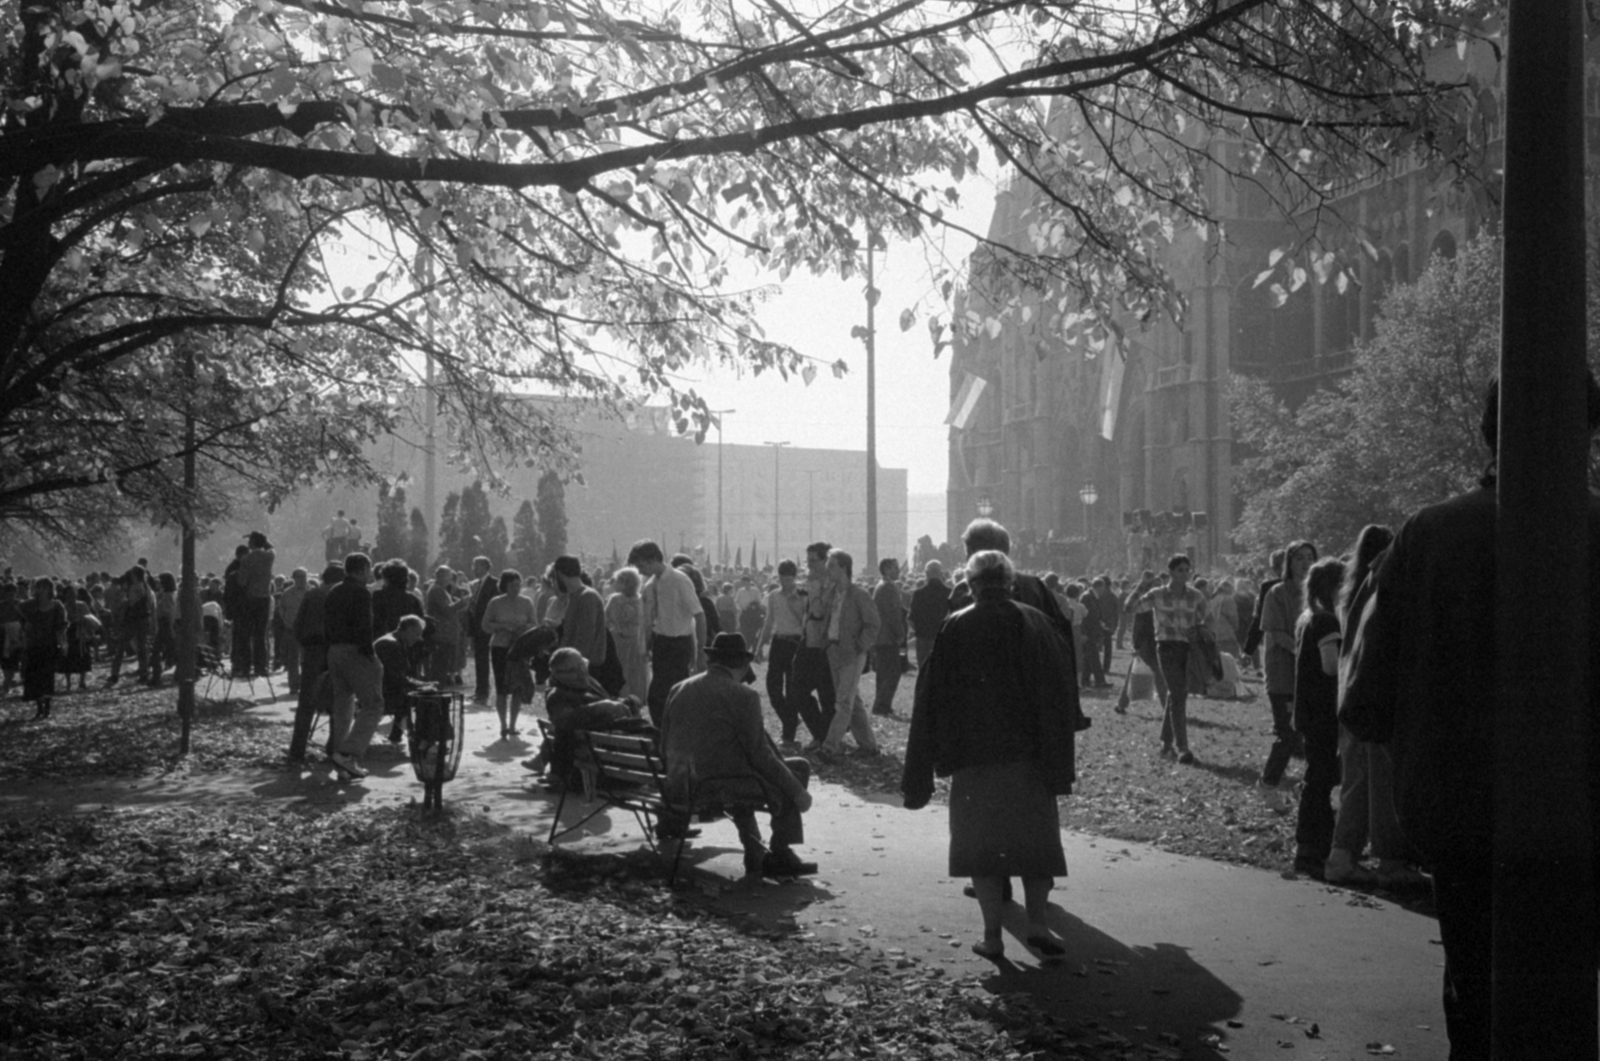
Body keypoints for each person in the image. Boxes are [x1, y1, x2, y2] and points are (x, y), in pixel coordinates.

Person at [1341, 377, 1600, 1061]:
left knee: (1476, 987)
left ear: (1488, 433)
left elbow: (1363, 695)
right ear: (1591, 434)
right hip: (1584, 814)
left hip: (1461, 811)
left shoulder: (1430, 533)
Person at [901, 550, 1077, 960]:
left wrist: (920, 771)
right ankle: (1038, 924)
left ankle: (993, 935)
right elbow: (1062, 691)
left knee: (982, 850)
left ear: (971, 584)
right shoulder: (1037, 622)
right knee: (1036, 847)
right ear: (1010, 583)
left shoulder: (956, 626)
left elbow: (931, 699)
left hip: (974, 756)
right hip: (1030, 757)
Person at [660, 632, 817, 879]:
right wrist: (798, 792)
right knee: (794, 772)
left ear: (712, 660)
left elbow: (663, 744)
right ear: (742, 665)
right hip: (715, 785)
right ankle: (780, 851)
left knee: (783, 769)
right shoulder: (743, 696)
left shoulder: (679, 688)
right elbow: (760, 756)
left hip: (678, 782)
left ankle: (756, 851)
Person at [1324, 525, 1424, 888]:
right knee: (1384, 783)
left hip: (1350, 695)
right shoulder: (1387, 582)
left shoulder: (1354, 591)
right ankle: (1392, 861)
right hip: (1375, 698)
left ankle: (1342, 855)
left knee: (1357, 781)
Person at [1289, 556, 1346, 879]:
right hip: (1323, 711)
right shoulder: (1326, 621)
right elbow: (1330, 666)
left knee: (1317, 778)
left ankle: (1310, 844)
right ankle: (1312, 845)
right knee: (1320, 780)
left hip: (1307, 711)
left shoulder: (1306, 618)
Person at [1133, 554, 1209, 764]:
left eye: (1187, 569)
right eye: (1180, 570)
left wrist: (1199, 631)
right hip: (1166, 648)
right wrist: (1142, 584)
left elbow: (1204, 616)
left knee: (1177, 694)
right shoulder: (1157, 594)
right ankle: (1182, 747)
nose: (1185, 573)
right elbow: (1132, 607)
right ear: (1170, 572)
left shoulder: (1195, 596)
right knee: (1178, 694)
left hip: (1188, 648)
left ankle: (1166, 742)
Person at [629, 539, 705, 728]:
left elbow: (699, 615)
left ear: (654, 559)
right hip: (660, 643)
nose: (639, 571)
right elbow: (649, 621)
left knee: (675, 694)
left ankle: (675, 733)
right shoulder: (650, 586)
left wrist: (701, 651)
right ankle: (662, 733)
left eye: (641, 565)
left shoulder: (679, 580)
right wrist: (646, 645)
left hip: (679, 643)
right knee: (656, 696)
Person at [324, 552, 385, 779]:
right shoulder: (360, 592)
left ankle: (340, 760)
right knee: (374, 705)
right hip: (354, 650)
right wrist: (370, 654)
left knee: (343, 706)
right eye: (368, 569)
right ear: (361, 570)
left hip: (334, 650)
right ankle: (349, 754)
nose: (370, 574)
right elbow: (364, 625)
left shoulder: (335, 590)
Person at [1261, 542, 1317, 786]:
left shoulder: (1317, 594)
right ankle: (1268, 783)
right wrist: (1303, 651)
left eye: (1309, 557)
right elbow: (1276, 633)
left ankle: (1307, 786)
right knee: (1288, 735)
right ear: (1289, 564)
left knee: (1311, 735)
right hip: (1283, 674)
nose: (1305, 563)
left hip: (1310, 675)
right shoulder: (1277, 594)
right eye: (1298, 558)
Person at [817, 549, 880, 757]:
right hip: (833, 651)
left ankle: (830, 746)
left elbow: (873, 624)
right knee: (852, 700)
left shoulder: (859, 594)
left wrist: (860, 645)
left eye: (832, 566)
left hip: (851, 653)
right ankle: (868, 745)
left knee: (843, 702)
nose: (828, 570)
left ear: (844, 568)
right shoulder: (832, 593)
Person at [788, 542, 839, 748]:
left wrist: (814, 588)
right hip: (808, 640)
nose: (808, 565)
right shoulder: (812, 581)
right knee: (797, 689)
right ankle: (821, 732)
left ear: (826, 561)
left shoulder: (832, 585)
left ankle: (825, 737)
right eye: (807, 560)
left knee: (827, 694)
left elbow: (818, 613)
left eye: (812, 561)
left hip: (824, 644)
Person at [481, 569, 538, 739]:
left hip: (519, 649)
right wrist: (502, 626)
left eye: (518, 584)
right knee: (502, 687)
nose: (516, 588)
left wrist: (523, 627)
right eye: (512, 585)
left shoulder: (527, 602)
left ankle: (513, 724)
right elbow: (485, 625)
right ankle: (503, 725)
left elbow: (534, 624)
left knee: (518, 687)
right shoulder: (495, 602)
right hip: (500, 647)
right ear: (504, 585)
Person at [1115, 570, 1169, 715]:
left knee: (1132, 674)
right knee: (1160, 676)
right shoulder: (1144, 603)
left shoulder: (1162, 599)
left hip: (1157, 641)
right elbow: (1138, 623)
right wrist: (1137, 645)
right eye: (1155, 584)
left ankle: (1121, 705)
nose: (1159, 586)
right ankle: (1168, 709)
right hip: (1147, 643)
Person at [376, 615, 430, 744]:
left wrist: (421, 684)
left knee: (419, 692)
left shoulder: (393, 641)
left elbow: (397, 677)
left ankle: (397, 736)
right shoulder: (391, 645)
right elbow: (395, 678)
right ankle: (426, 740)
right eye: (417, 634)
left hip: (382, 688)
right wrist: (420, 686)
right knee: (429, 698)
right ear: (408, 630)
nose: (419, 638)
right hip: (380, 693)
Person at [552, 555, 607, 667]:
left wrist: (572, 664)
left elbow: (585, 637)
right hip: (574, 663)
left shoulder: (587, 597)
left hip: (582, 666)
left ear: (560, 574)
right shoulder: (575, 596)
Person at [605, 567, 650, 701]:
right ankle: (637, 699)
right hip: (637, 642)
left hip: (621, 641)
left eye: (618, 581)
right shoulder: (642, 600)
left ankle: (623, 697)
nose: (615, 584)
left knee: (624, 670)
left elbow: (605, 619)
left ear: (625, 583)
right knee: (636, 672)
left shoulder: (615, 600)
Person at [871, 557, 907, 717]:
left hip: (880, 636)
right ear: (886, 569)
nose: (898, 570)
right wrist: (900, 633)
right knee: (893, 671)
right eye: (894, 567)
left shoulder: (881, 586)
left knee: (883, 671)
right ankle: (882, 704)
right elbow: (894, 613)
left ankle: (880, 704)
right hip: (888, 636)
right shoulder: (889, 587)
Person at [236, 531, 276, 679]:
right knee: (260, 634)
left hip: (250, 598)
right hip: (264, 598)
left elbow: (242, 581)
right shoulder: (269, 556)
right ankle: (261, 666)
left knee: (246, 633)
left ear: (253, 543)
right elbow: (272, 547)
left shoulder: (246, 559)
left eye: (250, 540)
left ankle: (246, 666)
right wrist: (264, 540)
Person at [909, 559, 952, 668]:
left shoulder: (918, 594)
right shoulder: (950, 592)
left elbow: (911, 618)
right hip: (944, 637)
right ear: (940, 573)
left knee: (924, 671)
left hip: (923, 637)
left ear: (926, 574)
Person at [467, 556, 497, 706]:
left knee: (484, 660)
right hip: (477, 628)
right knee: (479, 660)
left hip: (487, 628)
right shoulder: (477, 584)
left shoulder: (494, 584)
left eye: (476, 566)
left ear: (485, 567)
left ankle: (483, 692)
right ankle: (480, 690)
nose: (474, 569)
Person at [277, 568, 309, 695]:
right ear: (294, 579)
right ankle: (294, 686)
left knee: (308, 659)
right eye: (299, 577)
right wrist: (287, 621)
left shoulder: (311, 591)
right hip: (292, 629)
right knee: (293, 660)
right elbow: (281, 610)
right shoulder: (287, 593)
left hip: (308, 630)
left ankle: (307, 685)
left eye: (304, 576)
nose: (302, 579)